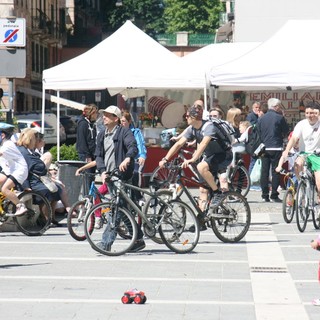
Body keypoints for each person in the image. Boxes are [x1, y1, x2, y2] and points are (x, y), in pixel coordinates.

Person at [159, 104, 232, 229]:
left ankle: (217, 193)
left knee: (201, 167)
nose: (185, 117)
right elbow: (178, 145)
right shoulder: (192, 128)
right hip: (210, 157)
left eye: (187, 115)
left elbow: (203, 144)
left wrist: (193, 159)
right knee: (203, 189)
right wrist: (165, 159)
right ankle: (201, 221)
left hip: (223, 155)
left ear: (194, 117)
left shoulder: (208, 127)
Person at [94, 105, 142, 252]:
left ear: (116, 118)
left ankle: (106, 242)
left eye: (107, 115)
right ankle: (138, 239)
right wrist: (102, 171)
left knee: (116, 209)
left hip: (122, 176)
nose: (104, 117)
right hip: (109, 176)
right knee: (122, 209)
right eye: (104, 115)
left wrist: (127, 159)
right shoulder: (102, 134)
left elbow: (133, 147)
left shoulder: (124, 132)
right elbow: (98, 155)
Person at [16, 128, 64, 226]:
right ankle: (45, 218)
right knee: (45, 191)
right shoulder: (23, 152)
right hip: (31, 181)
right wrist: (26, 186)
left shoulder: (29, 150)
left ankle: (51, 217)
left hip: (37, 179)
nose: (36, 141)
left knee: (57, 189)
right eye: (35, 138)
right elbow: (24, 170)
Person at [282, 101, 320, 205]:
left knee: (319, 183)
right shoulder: (302, 124)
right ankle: (301, 185)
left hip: (317, 155)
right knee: (297, 164)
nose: (309, 115)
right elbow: (294, 138)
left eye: (312, 113)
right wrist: (287, 150)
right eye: (307, 113)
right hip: (304, 153)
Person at [258, 98, 289, 202]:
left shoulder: (262, 118)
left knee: (264, 171)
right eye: (279, 106)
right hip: (276, 146)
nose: (279, 108)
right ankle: (274, 195)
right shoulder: (279, 118)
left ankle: (264, 195)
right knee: (276, 171)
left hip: (264, 147)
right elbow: (286, 131)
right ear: (275, 106)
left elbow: (258, 132)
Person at [0, 123, 28, 216]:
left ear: (2, 135)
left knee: (4, 189)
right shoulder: (5, 144)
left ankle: (20, 205)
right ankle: (5, 203)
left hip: (19, 170)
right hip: (11, 169)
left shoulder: (7, 145)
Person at [120, 111, 147, 201]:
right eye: (121, 121)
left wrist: (142, 155)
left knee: (136, 173)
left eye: (124, 121)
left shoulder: (135, 132)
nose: (122, 123)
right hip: (124, 161)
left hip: (136, 159)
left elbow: (140, 144)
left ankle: (139, 197)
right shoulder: (119, 132)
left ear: (129, 121)